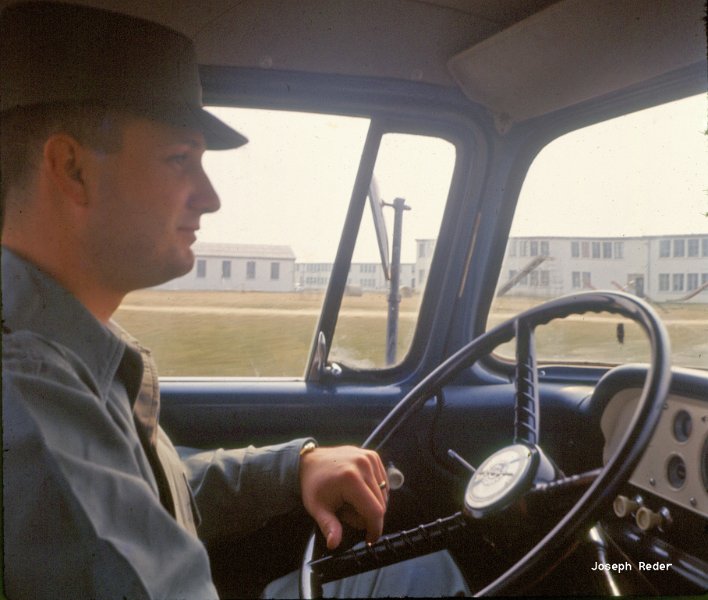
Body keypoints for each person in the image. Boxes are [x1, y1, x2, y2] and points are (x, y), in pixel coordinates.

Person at [1, 2, 469, 598]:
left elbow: (152, 498)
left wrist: (292, 469)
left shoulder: (64, 358)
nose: (210, 197)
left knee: (424, 572)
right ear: (72, 169)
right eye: (180, 159)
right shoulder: (29, 395)